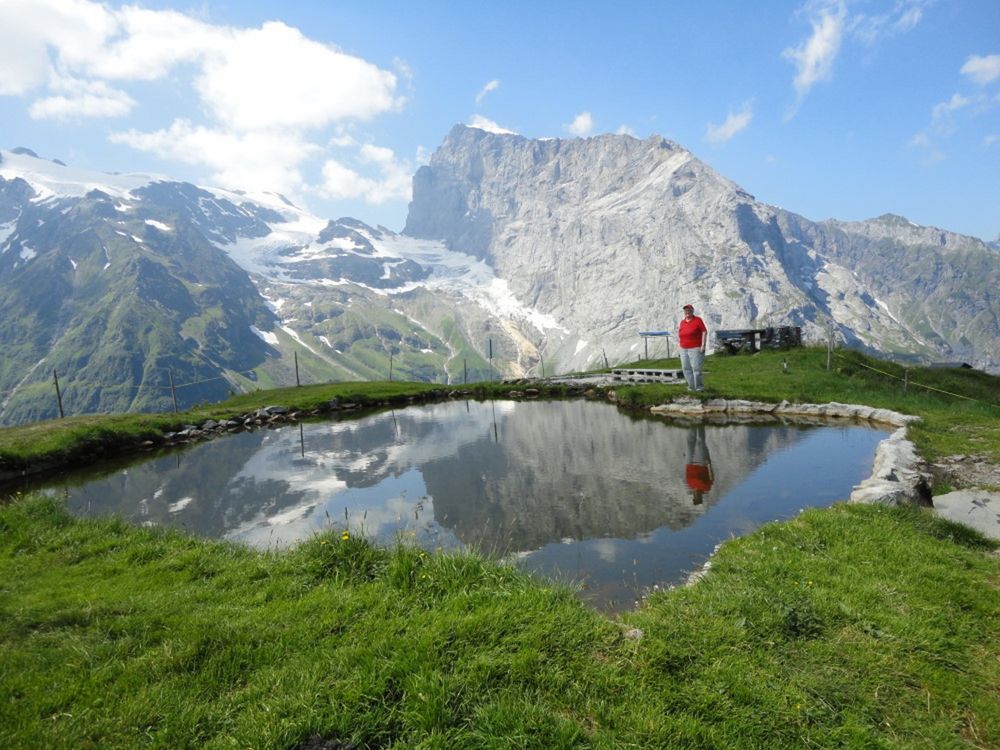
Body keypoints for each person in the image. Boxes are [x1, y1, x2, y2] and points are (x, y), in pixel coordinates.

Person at [678, 303, 708, 391]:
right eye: (686, 310)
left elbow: (704, 332)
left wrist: (703, 345)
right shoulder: (682, 322)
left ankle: (699, 387)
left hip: (695, 347)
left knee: (696, 368)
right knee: (686, 368)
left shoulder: (698, 320)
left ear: (692, 311)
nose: (687, 312)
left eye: (689, 310)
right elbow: (681, 334)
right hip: (683, 348)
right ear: (684, 312)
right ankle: (691, 387)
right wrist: (679, 347)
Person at [684, 424, 714, 505]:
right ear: (700, 497)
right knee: (700, 442)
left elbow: (686, 474)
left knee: (689, 442)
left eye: (695, 497)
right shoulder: (706, 488)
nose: (696, 496)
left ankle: (692, 422)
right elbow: (712, 477)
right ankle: (700, 423)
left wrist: (685, 460)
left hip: (689, 463)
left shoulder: (690, 486)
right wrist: (709, 463)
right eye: (697, 497)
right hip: (701, 464)